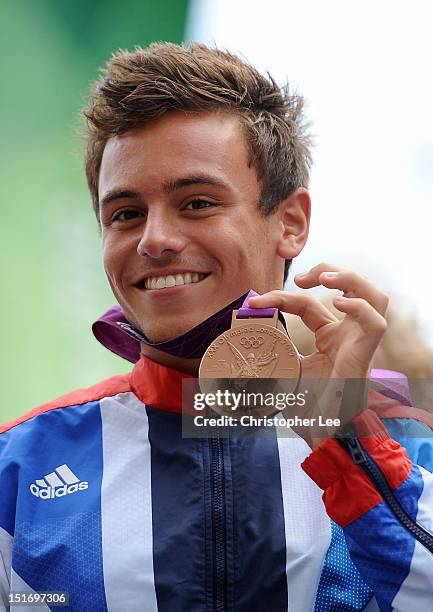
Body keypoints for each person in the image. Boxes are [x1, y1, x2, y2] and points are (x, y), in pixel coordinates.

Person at [1, 42, 433, 612]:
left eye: (197, 202)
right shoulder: (20, 465)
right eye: (125, 214)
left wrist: (344, 433)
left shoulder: (410, 447)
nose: (154, 239)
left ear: (291, 223)